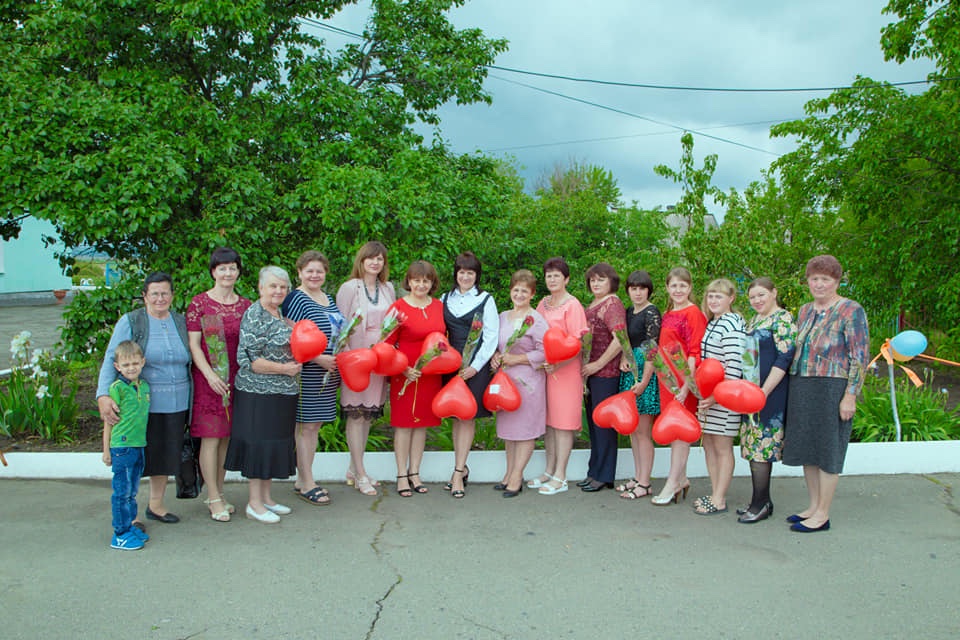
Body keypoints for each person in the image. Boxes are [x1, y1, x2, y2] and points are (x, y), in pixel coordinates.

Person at [97, 272, 192, 525]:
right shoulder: (132, 321)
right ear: (145, 296)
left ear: (172, 296)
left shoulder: (181, 322)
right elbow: (111, 358)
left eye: (165, 293)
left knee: (164, 456)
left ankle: (156, 505)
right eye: (154, 293)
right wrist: (103, 395)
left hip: (177, 403)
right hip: (139, 406)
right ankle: (133, 513)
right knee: (137, 458)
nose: (160, 298)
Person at [783, 255, 869, 533]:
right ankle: (812, 505)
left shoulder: (851, 310)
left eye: (825, 279)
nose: (819, 284)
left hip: (832, 387)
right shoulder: (806, 310)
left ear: (836, 281)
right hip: (802, 384)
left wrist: (850, 395)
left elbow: (860, 357)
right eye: (814, 279)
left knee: (828, 451)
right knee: (807, 448)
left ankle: (823, 514)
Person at [224, 266, 301, 524]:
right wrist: (285, 369)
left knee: (272, 445)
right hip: (258, 393)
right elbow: (248, 359)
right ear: (260, 288)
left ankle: (267, 498)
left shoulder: (280, 314)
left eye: (282, 287)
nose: (278, 291)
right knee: (258, 446)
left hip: (283, 393)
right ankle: (254, 504)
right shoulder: (255, 314)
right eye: (273, 286)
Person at [186, 247, 252, 522]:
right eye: (222, 268)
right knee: (211, 438)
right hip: (208, 381)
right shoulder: (200, 303)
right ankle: (212, 496)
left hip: (236, 379)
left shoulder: (246, 305)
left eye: (232, 268)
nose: (228, 273)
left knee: (226, 437)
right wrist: (210, 376)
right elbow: (194, 345)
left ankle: (220, 492)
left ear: (238, 271)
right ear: (213, 271)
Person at [336, 241, 397, 496]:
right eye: (370, 258)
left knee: (368, 414)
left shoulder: (388, 288)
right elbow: (340, 326)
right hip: (356, 359)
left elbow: (393, 322)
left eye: (380, 259)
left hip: (379, 359)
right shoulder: (349, 288)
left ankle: (354, 467)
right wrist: (347, 359)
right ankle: (360, 473)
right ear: (361, 261)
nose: (375, 263)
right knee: (355, 414)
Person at [282, 251, 340, 506]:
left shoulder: (328, 298)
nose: (315, 275)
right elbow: (290, 335)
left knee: (313, 426)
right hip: (307, 371)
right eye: (309, 271)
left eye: (319, 271)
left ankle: (302, 478)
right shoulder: (297, 298)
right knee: (305, 427)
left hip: (327, 371)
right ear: (300, 273)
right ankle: (307, 482)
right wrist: (318, 358)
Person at [736, 277, 797, 523]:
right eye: (752, 297)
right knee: (753, 447)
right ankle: (762, 501)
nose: (757, 300)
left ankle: (759, 504)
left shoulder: (782, 319)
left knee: (762, 448)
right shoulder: (756, 320)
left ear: (774, 293)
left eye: (761, 295)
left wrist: (764, 391)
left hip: (769, 395)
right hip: (751, 394)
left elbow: (784, 358)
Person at [440, 251, 499, 498]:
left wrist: (475, 366)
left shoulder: (486, 299)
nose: (465, 276)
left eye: (471, 272)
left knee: (467, 418)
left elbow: (491, 336)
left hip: (474, 367)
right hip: (449, 366)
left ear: (477, 276)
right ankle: (460, 468)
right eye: (462, 271)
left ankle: (457, 473)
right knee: (455, 416)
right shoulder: (444, 298)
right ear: (456, 273)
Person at [387, 261, 446, 497]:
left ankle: (415, 473)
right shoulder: (397, 308)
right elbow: (386, 344)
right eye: (416, 280)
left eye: (426, 280)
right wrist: (402, 369)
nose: (421, 284)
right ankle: (401, 474)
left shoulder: (439, 306)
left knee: (421, 424)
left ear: (432, 283)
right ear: (408, 281)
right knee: (403, 424)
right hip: (405, 371)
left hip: (430, 373)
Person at [651, 267, 708, 506]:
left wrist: (686, 386)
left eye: (682, 286)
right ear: (667, 288)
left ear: (690, 288)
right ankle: (681, 478)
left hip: (684, 380)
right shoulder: (667, 313)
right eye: (674, 285)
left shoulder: (693, 313)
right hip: (666, 380)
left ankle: (672, 482)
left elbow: (695, 351)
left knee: (681, 431)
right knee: (674, 431)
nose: (678, 290)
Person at [532, 257, 588, 496]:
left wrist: (558, 362)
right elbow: (534, 333)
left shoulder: (572, 305)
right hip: (546, 371)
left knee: (564, 424)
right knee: (550, 424)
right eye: (548, 275)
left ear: (566, 279)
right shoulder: (542, 304)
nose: (552, 279)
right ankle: (549, 470)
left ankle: (561, 476)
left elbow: (577, 341)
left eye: (557, 275)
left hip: (565, 372)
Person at [489, 270, 548, 498]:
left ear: (532, 294)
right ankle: (509, 473)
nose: (520, 294)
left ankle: (517, 476)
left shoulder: (537, 320)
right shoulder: (503, 316)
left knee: (524, 431)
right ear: (510, 291)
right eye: (516, 290)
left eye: (525, 290)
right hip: (505, 381)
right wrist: (496, 355)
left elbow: (545, 352)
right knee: (510, 430)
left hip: (528, 381)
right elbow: (497, 343)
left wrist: (518, 359)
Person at [693, 278, 746, 515]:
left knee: (722, 447)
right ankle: (715, 492)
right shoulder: (714, 322)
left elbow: (734, 368)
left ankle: (719, 498)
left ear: (731, 299)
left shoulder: (732, 324)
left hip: (725, 397)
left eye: (719, 296)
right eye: (710, 296)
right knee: (710, 445)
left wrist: (716, 397)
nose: (713, 300)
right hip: (709, 397)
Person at [579, 263, 626, 493]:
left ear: (611, 282)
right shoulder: (593, 304)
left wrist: (598, 363)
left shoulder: (612, 303)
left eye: (601, 280)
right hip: (591, 374)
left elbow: (620, 339)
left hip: (606, 374)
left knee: (604, 425)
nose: (596, 284)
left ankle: (605, 475)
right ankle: (594, 471)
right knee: (594, 425)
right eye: (593, 280)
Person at [616, 270, 661, 500]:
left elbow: (652, 349)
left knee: (643, 432)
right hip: (630, 370)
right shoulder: (629, 311)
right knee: (633, 430)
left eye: (642, 288)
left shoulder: (652, 312)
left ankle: (645, 482)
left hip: (645, 372)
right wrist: (624, 357)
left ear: (648, 290)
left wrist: (644, 380)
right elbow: (628, 342)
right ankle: (637, 476)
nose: (637, 292)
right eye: (633, 288)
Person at [102, 341, 150, 550]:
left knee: (132, 490)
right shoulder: (117, 388)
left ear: (142, 362)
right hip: (122, 447)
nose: (131, 368)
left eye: (135, 363)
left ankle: (129, 527)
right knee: (121, 492)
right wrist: (106, 450)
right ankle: (120, 534)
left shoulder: (144, 386)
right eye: (126, 364)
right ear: (117, 367)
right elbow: (108, 421)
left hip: (139, 444)